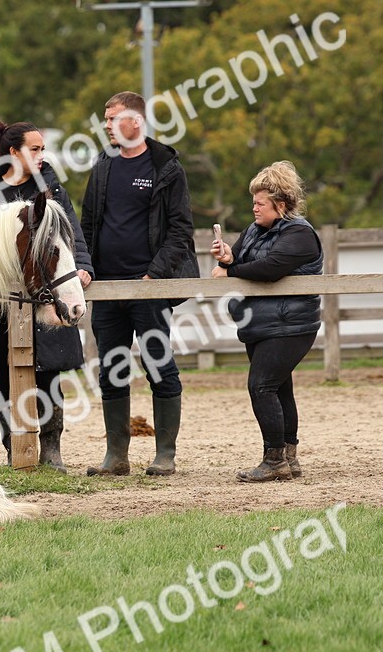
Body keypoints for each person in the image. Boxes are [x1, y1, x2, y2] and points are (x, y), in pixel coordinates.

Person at [0, 121, 93, 471]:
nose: (42, 156)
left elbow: (69, 232)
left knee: (50, 371)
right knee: (5, 375)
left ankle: (51, 449)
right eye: (35, 149)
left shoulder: (50, 186)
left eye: (43, 149)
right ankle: (13, 447)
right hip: (0, 301)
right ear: (13, 152)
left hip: (46, 294)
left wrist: (82, 265)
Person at [80, 92, 198, 477]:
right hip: (107, 289)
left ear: (136, 121)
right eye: (106, 118)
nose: (107, 125)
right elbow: (87, 225)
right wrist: (87, 268)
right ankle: (117, 457)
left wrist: (154, 276)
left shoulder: (166, 166)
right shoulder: (103, 166)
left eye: (113, 118)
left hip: (149, 289)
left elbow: (181, 231)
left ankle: (165, 454)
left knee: (158, 365)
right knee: (111, 369)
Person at [211, 161, 323, 482]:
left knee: (260, 386)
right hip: (261, 323)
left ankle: (274, 460)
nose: (254, 207)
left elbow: (272, 267)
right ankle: (288, 458)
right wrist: (227, 256)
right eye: (254, 202)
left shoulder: (300, 233)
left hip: (290, 324)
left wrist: (230, 271)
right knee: (279, 388)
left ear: (281, 205)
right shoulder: (253, 230)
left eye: (261, 203)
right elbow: (240, 258)